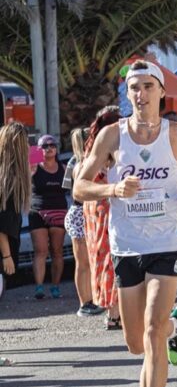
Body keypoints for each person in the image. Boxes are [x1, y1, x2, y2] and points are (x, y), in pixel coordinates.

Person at [74, 60, 177, 387]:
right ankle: (176, 325)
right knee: (136, 342)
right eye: (134, 88)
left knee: (150, 334)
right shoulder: (112, 135)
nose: (141, 94)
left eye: (148, 87)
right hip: (127, 244)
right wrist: (113, 187)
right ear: (127, 93)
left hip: (168, 241)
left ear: (161, 92)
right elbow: (81, 186)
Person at [83, 107, 122, 329]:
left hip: (94, 207)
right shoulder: (108, 147)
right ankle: (115, 312)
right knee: (111, 258)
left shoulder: (91, 147)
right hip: (106, 205)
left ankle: (113, 311)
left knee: (101, 257)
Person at [62, 127, 103, 316]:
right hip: (81, 212)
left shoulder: (74, 161)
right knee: (84, 262)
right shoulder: (83, 163)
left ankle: (90, 300)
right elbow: (78, 191)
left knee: (86, 262)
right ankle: (84, 302)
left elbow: (67, 187)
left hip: (78, 211)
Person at [29, 134, 68, 299]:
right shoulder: (34, 167)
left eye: (52, 145)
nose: (49, 148)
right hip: (38, 210)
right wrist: (34, 150)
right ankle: (39, 287)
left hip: (59, 211)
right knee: (40, 250)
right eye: (44, 146)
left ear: (57, 148)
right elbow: (27, 164)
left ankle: (55, 286)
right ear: (39, 149)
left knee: (57, 251)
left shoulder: (64, 168)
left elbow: (72, 188)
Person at [0, 123, 31, 301]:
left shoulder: (10, 177)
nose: (28, 146)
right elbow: (2, 224)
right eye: (25, 141)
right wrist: (7, 256)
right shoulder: (8, 182)